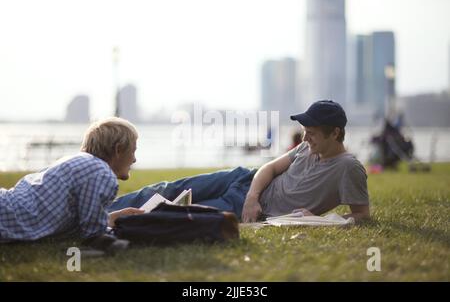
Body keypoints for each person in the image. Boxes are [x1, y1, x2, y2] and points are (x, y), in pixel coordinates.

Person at [108, 100, 370, 223]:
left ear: (335, 133)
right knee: (167, 189)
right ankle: (100, 210)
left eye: (311, 133)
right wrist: (252, 197)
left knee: (175, 211)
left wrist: (318, 220)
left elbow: (362, 215)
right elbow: (270, 167)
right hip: (244, 181)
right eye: (305, 131)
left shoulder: (349, 168)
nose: (305, 137)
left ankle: (105, 222)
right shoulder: (305, 147)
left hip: (251, 208)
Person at [0, 117, 143, 243]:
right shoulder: (102, 173)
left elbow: (67, 223)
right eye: (133, 151)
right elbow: (93, 234)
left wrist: (110, 219)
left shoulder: (78, 162)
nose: (134, 159)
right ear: (118, 150)